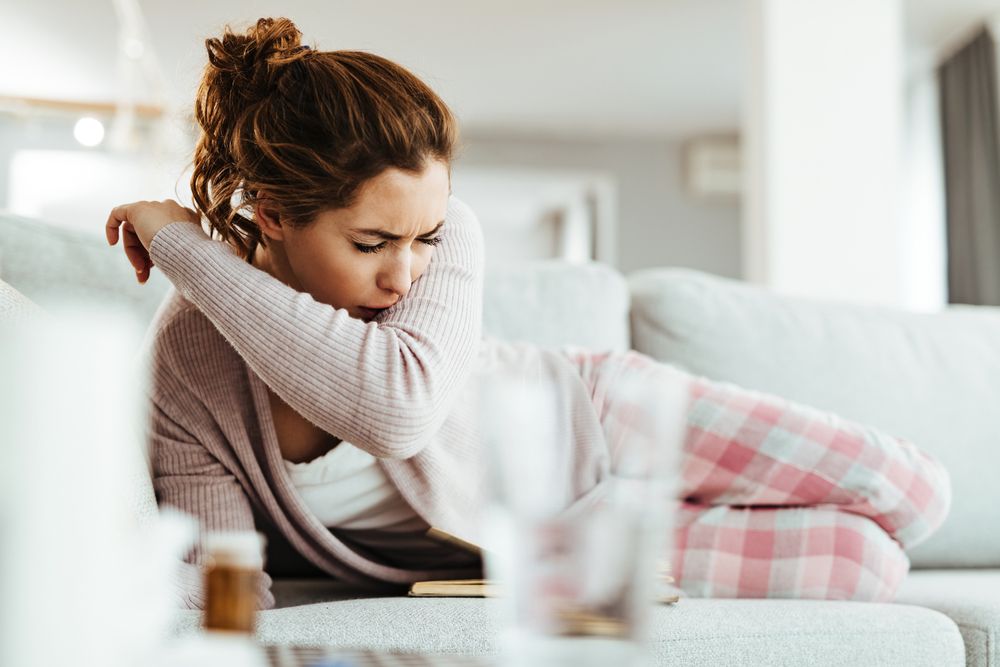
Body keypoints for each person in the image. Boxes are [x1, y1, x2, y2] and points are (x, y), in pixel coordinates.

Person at [106, 17, 950, 610]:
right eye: (370, 244)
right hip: (542, 546)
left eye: (423, 236)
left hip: (597, 414)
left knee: (916, 489)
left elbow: (397, 407)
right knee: (862, 563)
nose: (406, 273)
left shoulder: (453, 241)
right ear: (273, 213)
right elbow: (218, 579)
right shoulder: (187, 360)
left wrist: (190, 249)